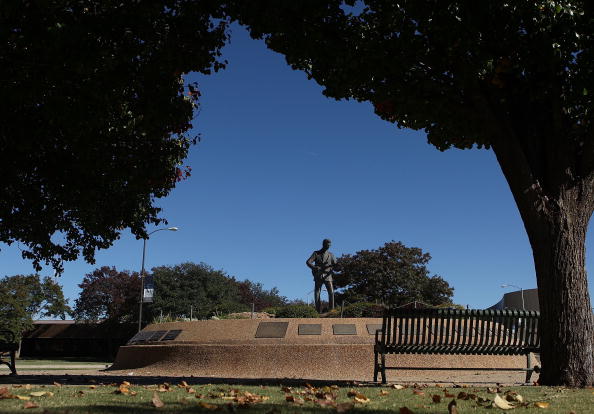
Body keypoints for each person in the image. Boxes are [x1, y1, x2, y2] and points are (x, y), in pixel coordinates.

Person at [306, 239, 336, 313]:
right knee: (317, 292)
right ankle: (318, 311)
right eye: (327, 244)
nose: (329, 246)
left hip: (328, 276)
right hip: (318, 275)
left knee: (331, 292)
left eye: (330, 245)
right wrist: (314, 267)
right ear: (323, 244)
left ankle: (331, 311)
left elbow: (336, 265)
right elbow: (308, 262)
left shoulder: (331, 255)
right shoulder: (316, 253)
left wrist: (338, 267)